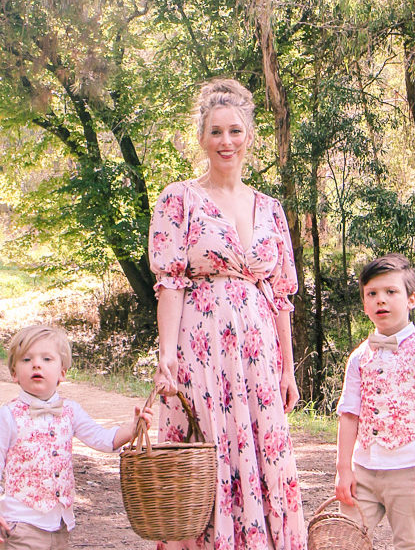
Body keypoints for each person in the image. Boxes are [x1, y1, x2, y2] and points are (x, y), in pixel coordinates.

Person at [149, 78, 306, 550]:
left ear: (249, 136)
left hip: (259, 353)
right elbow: (171, 283)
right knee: (207, 453)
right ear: (201, 138)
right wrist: (167, 356)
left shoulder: (271, 209)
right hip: (202, 346)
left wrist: (288, 366)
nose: (226, 142)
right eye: (216, 132)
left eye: (235, 131)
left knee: (263, 454)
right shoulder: (179, 198)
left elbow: (281, 295)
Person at [0, 324, 148, 550]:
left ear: (62, 372)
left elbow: (102, 439)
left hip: (59, 526)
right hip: (19, 526)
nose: (36, 364)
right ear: (14, 373)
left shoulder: (70, 411)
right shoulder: (7, 416)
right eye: (26, 360)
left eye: (47, 359)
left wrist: (131, 429)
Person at [334, 253, 415, 550]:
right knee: (345, 539)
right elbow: (349, 414)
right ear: (364, 304)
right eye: (372, 294)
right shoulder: (360, 357)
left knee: (408, 543)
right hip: (363, 470)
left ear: (411, 299)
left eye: (391, 292)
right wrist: (343, 469)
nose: (381, 300)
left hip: (408, 469)